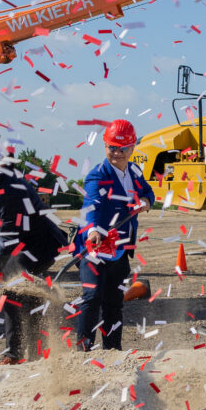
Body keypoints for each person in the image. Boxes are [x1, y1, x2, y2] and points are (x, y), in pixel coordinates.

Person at [0, 141, 68, 363]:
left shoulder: (9, 190)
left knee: (13, 293)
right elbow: (3, 233)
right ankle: (33, 354)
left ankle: (16, 355)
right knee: (26, 296)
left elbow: (9, 238)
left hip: (38, 246)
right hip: (23, 245)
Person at [73, 119, 155, 352]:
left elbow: (148, 191)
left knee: (113, 303)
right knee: (92, 297)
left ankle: (112, 349)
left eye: (123, 149)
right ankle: (83, 350)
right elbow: (91, 206)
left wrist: (147, 201)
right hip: (94, 248)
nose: (117, 153)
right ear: (105, 146)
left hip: (119, 249)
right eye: (112, 148)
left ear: (132, 148)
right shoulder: (97, 175)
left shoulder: (135, 171)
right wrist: (93, 230)